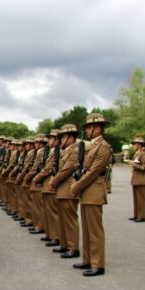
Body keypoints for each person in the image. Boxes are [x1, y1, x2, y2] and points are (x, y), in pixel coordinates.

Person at [70, 113, 112, 277]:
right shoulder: (91, 146)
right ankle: (87, 259)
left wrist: (75, 187)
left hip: (94, 189)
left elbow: (93, 171)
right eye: (86, 127)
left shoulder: (103, 147)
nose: (87, 130)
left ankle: (98, 263)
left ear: (98, 128)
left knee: (95, 230)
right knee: (87, 228)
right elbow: (82, 167)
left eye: (89, 127)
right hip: (87, 190)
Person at [51, 124, 80, 258]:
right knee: (62, 219)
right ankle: (65, 244)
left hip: (68, 189)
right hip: (62, 189)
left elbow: (66, 170)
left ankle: (73, 247)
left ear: (70, 137)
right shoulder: (66, 151)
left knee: (69, 220)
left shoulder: (74, 151)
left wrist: (53, 181)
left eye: (62, 137)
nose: (60, 140)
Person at [127, 135, 145, 222]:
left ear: (139, 145)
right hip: (136, 179)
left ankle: (142, 216)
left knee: (141, 199)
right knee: (136, 199)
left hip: (141, 179)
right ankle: (136, 214)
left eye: (135, 144)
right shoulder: (137, 154)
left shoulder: (143, 154)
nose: (133, 146)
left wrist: (133, 164)